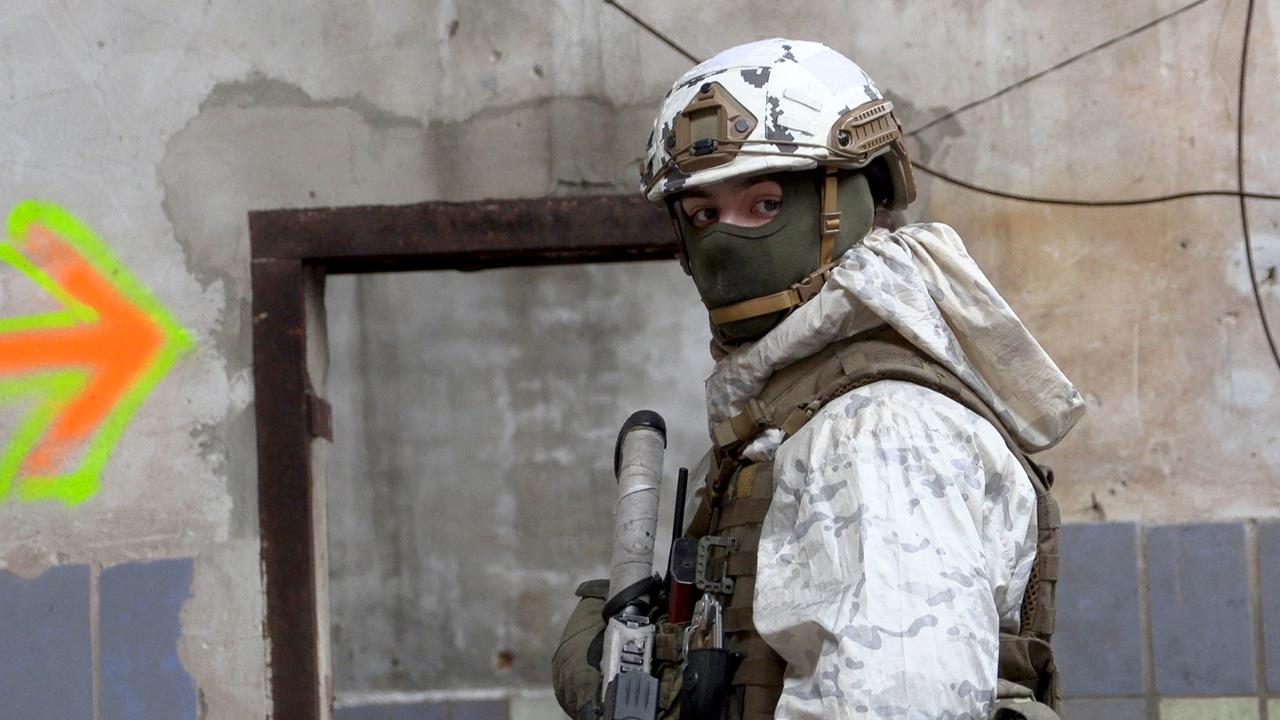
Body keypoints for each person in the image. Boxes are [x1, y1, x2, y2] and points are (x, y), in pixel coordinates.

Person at [639, 38, 1085, 719]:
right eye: (703, 214)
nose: (726, 238)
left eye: (763, 205)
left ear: (850, 203)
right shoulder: (792, 410)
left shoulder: (878, 428)